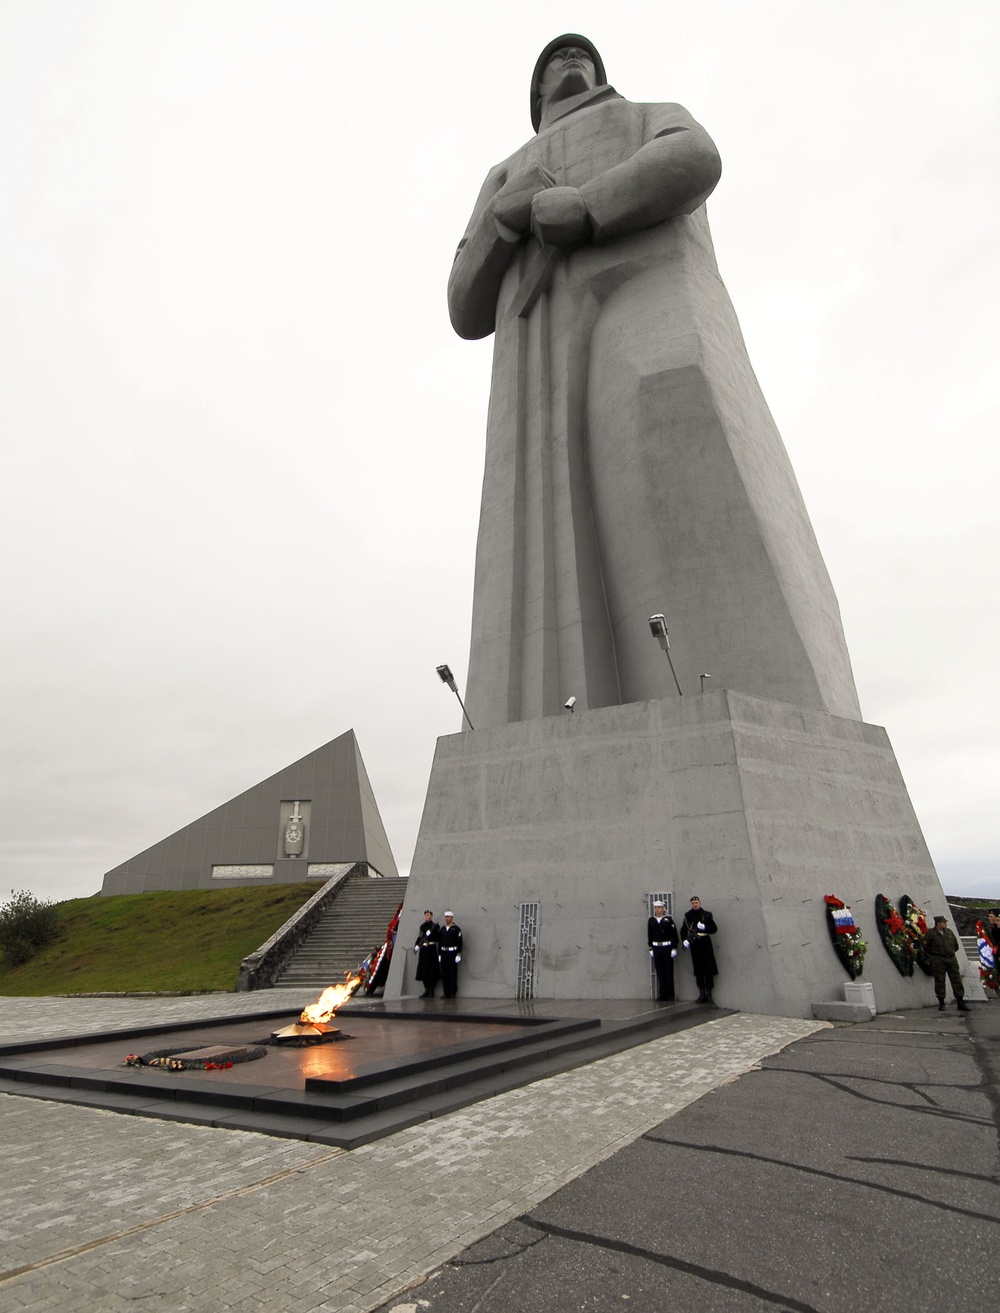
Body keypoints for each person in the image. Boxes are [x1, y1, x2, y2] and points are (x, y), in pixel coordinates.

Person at [448, 34, 861, 729]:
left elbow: (693, 158)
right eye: (550, 62)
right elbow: (463, 301)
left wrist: (587, 203)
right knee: (535, 555)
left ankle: (745, 708)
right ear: (535, 95)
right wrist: (502, 217)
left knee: (668, 449)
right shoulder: (503, 172)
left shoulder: (643, 114)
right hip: (533, 363)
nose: (566, 64)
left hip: (645, 293)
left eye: (578, 56)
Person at [923, 915, 969, 1011]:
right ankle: (941, 1003)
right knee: (940, 980)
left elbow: (956, 945)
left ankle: (960, 1001)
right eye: (944, 922)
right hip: (938, 959)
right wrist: (935, 955)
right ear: (938, 923)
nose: (946, 924)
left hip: (951, 958)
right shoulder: (931, 933)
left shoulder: (949, 932)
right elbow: (926, 946)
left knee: (956, 980)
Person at [682, 896, 718, 1004]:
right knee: (698, 969)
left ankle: (709, 993)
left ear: (700, 903)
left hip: (705, 943)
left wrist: (704, 927)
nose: (695, 904)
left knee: (708, 968)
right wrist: (685, 940)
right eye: (693, 903)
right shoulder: (688, 915)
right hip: (695, 944)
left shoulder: (706, 914)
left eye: (696, 902)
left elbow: (714, 929)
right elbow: (684, 929)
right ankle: (701, 993)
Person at [647, 901, 679, 1002]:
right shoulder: (651, 920)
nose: (657, 910)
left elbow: (674, 934)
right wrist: (651, 948)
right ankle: (662, 994)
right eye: (656, 908)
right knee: (660, 972)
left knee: (668, 971)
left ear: (663, 909)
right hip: (657, 948)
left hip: (667, 947)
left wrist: (674, 947)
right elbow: (650, 934)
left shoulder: (668, 920)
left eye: (659, 908)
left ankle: (670, 994)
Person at [412, 910, 441, 998]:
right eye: (425, 915)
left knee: (432, 970)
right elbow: (420, 937)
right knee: (423, 969)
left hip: (431, 949)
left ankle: (432, 990)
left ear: (431, 916)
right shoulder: (422, 926)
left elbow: (438, 938)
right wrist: (416, 945)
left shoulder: (435, 926)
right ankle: (426, 989)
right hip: (423, 950)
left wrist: (431, 935)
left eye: (428, 915)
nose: (426, 917)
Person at [438, 911, 463, 999]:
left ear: (452, 918)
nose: (447, 918)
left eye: (448, 917)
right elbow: (440, 942)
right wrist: (439, 954)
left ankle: (453, 992)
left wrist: (458, 954)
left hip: (453, 953)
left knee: (452, 973)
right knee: (444, 973)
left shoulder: (456, 929)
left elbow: (460, 942)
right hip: (444, 952)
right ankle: (446, 992)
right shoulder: (442, 929)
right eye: (446, 917)